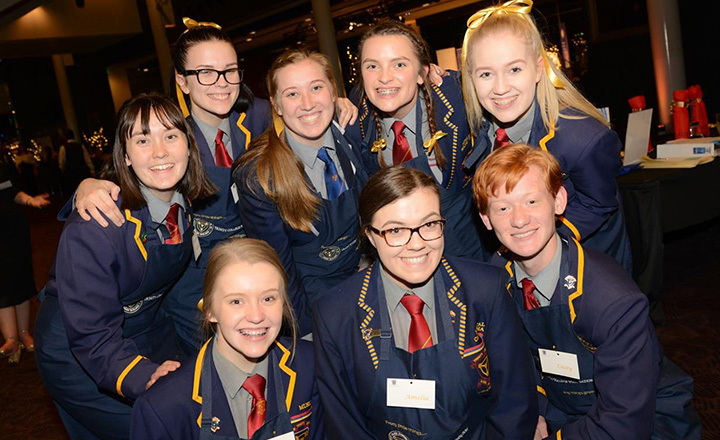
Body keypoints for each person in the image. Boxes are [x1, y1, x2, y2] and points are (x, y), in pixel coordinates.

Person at [70, 19, 358, 356]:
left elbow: (301, 107)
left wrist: (339, 103)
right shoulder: (170, 135)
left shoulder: (259, 116)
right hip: (195, 282)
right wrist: (88, 185)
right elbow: (125, 172)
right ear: (182, 81)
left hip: (255, 271)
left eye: (229, 71)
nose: (220, 84)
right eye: (205, 73)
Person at [473, 144, 702, 439]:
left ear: (558, 201)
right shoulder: (495, 280)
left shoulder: (613, 301)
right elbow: (516, 360)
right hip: (563, 409)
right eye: (503, 208)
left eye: (531, 201)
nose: (519, 219)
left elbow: (625, 423)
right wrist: (534, 412)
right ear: (486, 219)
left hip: (644, 420)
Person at [34, 93, 216, 440]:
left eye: (171, 136)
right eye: (143, 140)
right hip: (80, 354)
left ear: (189, 147)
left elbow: (179, 289)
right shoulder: (96, 226)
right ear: (126, 156)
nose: (160, 152)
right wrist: (141, 376)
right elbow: (90, 333)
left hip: (142, 332)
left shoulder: (182, 204)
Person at [313, 166, 537, 439]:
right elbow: (345, 425)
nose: (416, 244)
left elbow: (514, 405)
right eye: (395, 230)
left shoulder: (485, 290)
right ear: (370, 235)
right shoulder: (335, 314)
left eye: (429, 225)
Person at [461, 0, 632, 272]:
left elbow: (598, 205)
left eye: (514, 69)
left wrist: (533, 242)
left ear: (539, 69)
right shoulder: (481, 133)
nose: (501, 88)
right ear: (471, 77)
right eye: (486, 74)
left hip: (586, 271)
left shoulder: (584, 139)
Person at [131, 238, 325, 439]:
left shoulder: (311, 365)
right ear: (209, 311)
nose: (256, 316)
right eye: (236, 301)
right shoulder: (164, 407)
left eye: (268, 298)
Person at [233, 49, 367, 335]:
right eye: (292, 94)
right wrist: (307, 332)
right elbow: (280, 269)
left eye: (316, 88)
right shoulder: (258, 175)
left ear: (333, 91)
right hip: (311, 303)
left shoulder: (355, 135)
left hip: (366, 282)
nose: (307, 104)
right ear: (276, 105)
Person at [346, 20, 490, 261]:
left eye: (399, 64)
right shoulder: (355, 121)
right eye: (372, 66)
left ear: (423, 72)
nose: (384, 78)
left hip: (468, 252)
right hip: (402, 259)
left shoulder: (457, 95)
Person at [0, 147, 50, 363]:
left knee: (21, 279)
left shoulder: (2, 165)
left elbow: (12, 192)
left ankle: (23, 334)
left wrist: (30, 201)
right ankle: (10, 338)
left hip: (14, 231)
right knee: (1, 283)